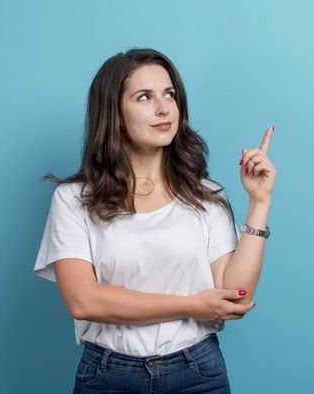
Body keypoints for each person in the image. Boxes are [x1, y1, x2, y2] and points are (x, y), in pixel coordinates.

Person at [33, 47, 276, 393]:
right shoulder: (74, 200)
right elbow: (83, 300)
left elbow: (234, 296)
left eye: (170, 95)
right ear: (113, 112)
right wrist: (193, 305)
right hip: (108, 374)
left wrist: (259, 202)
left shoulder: (206, 196)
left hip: (198, 372)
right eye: (144, 97)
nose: (163, 108)